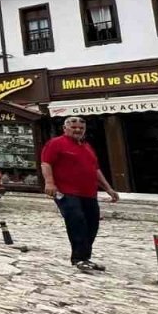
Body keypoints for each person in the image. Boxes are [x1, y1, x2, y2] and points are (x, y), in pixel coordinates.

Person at [41, 116, 119, 272]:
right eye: (73, 127)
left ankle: (85, 257)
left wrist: (108, 188)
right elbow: (46, 163)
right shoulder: (56, 143)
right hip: (66, 191)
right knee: (77, 221)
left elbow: (95, 169)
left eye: (81, 128)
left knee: (92, 223)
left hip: (89, 192)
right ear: (65, 128)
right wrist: (49, 183)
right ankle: (78, 258)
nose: (77, 130)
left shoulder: (87, 146)